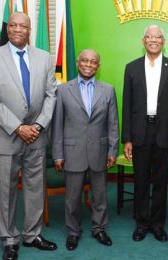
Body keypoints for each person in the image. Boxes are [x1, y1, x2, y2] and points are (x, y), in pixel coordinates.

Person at [0, 12, 57, 260]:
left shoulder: (44, 58)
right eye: (13, 25)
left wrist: (39, 125)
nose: (18, 29)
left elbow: (51, 95)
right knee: (6, 191)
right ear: (8, 28)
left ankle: (32, 235)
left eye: (23, 26)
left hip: (36, 135)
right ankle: (9, 240)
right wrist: (18, 127)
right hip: (6, 135)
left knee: (35, 188)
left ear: (30, 29)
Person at [51, 49, 119, 251]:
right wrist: (58, 154)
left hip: (100, 150)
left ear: (98, 66)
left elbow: (113, 123)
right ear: (78, 63)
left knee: (100, 196)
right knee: (72, 198)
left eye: (93, 62)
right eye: (85, 61)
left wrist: (113, 151)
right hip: (72, 152)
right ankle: (73, 232)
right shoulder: (63, 90)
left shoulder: (108, 90)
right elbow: (57, 124)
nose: (88, 64)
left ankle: (99, 228)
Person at [122, 24, 168, 242]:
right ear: (143, 41)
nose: (154, 40)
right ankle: (141, 223)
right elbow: (127, 105)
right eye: (149, 37)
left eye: (158, 37)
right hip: (140, 131)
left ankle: (157, 224)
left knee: (159, 179)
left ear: (163, 42)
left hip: (164, 131)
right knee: (140, 179)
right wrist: (126, 138)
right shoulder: (131, 67)